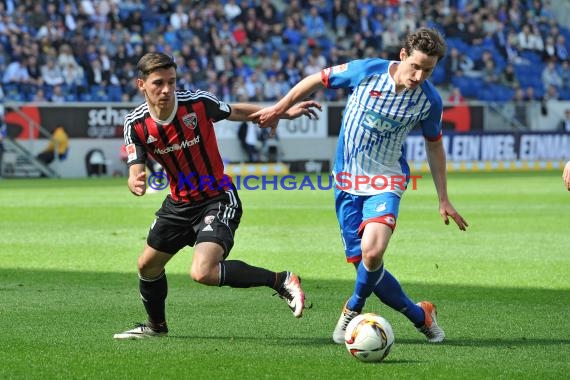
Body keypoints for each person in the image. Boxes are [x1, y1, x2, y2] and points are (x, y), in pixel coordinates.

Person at [252, 28, 468, 344]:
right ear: (403, 56)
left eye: (428, 70)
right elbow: (316, 79)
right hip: (346, 181)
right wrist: (278, 109)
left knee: (373, 251)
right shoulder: (367, 71)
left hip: (386, 179)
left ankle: (353, 308)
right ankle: (420, 315)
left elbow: (434, 145)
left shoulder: (429, 101)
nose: (419, 76)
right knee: (367, 265)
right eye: (416, 66)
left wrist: (443, 198)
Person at [114, 52, 321, 339]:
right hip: (179, 203)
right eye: (158, 83)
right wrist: (134, 179)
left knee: (203, 272)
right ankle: (156, 326)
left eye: (171, 82)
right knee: (147, 266)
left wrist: (280, 112)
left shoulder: (197, 103)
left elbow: (237, 112)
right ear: (141, 85)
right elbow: (134, 166)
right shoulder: (134, 124)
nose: (166, 90)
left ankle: (280, 280)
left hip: (217, 198)